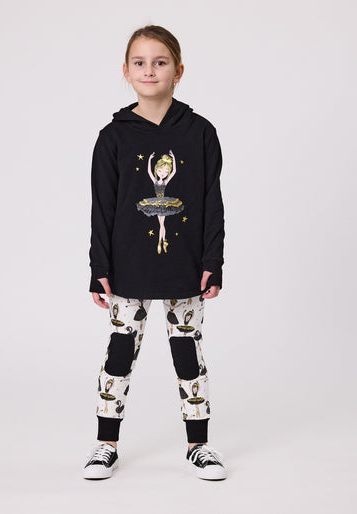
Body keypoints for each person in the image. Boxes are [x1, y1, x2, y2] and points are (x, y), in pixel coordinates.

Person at [83, 25, 227, 481]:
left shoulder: (200, 133)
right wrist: (99, 266)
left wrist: (213, 261)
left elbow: (212, 201)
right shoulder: (113, 137)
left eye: (160, 62)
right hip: (127, 267)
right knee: (119, 352)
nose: (150, 70)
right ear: (126, 71)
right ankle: (106, 444)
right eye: (140, 63)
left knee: (187, 352)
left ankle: (199, 445)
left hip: (186, 265)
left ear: (178, 71)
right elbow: (102, 207)